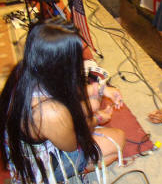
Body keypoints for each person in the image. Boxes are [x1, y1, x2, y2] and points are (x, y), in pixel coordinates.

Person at [0, 18, 125, 183]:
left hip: (27, 148)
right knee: (118, 139)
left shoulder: (25, 69)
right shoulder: (50, 111)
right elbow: (72, 144)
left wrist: (100, 89)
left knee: (93, 103)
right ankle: (68, 174)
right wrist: (98, 119)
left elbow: (63, 91)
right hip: (43, 165)